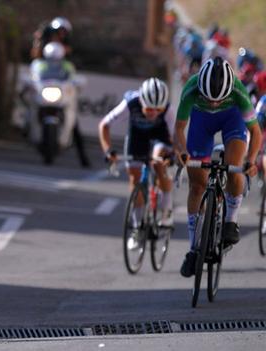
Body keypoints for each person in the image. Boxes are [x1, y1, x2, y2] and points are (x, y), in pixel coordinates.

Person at [175, 57, 261, 278]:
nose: (213, 103)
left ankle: (230, 221)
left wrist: (251, 160)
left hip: (232, 119)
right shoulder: (191, 87)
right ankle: (194, 248)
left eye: (218, 99)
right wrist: (183, 153)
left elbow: (256, 132)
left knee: (234, 166)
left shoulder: (238, 90)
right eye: (209, 98)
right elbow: (179, 129)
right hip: (201, 122)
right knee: (196, 186)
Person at [99, 78, 175, 237]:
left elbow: (176, 138)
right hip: (138, 136)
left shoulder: (168, 110)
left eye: (158, 110)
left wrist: (172, 155)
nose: (153, 113)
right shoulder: (130, 103)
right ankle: (136, 227)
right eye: (149, 109)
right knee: (134, 178)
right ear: (141, 101)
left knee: (158, 163)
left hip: (161, 137)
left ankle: (167, 211)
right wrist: (108, 151)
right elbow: (104, 125)